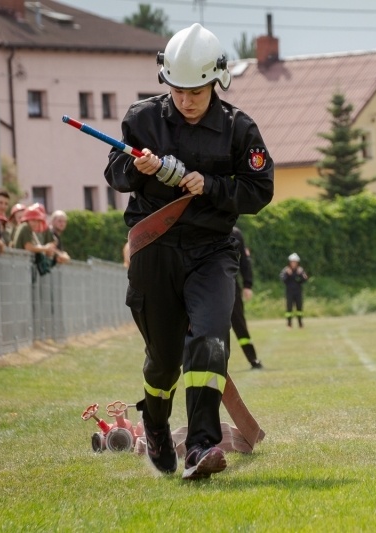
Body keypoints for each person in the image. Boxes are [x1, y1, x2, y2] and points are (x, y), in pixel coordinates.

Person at [104, 23, 273, 480]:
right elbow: (114, 173)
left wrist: (212, 186)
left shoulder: (240, 129)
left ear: (216, 80)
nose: (186, 99)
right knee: (162, 359)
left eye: (196, 90)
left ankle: (201, 446)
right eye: (177, 90)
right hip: (154, 250)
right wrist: (136, 169)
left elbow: (260, 192)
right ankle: (155, 426)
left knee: (211, 339)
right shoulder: (142, 119)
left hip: (212, 251)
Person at [230, 226, 263, 369]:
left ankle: (253, 358)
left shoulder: (235, 233)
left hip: (231, 284)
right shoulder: (203, 227)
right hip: (204, 285)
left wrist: (247, 285)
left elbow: (244, 260)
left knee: (239, 324)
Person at [280, 253, 308, 328]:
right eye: (292, 262)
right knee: (289, 308)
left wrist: (300, 275)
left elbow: (305, 279)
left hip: (298, 291)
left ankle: (300, 323)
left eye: (295, 262)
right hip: (289, 291)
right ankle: (289, 324)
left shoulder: (300, 270)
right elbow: (283, 280)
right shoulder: (286, 270)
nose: (293, 263)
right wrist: (288, 274)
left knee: (299, 308)